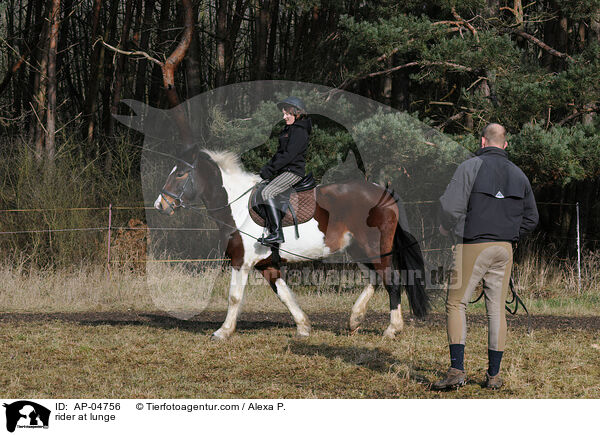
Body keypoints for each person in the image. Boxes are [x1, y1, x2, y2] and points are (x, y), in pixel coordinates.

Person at [433, 123, 539, 390]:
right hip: (505, 249)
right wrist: (510, 235)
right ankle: (493, 376)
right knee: (496, 309)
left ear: (482, 142)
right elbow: (532, 218)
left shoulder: (469, 167)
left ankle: (457, 371)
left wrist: (449, 227)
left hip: (473, 244)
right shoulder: (519, 174)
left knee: (456, 304)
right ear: (505, 145)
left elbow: (449, 206)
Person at [257, 96, 312, 245]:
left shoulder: (299, 131)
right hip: (285, 170)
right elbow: (280, 154)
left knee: (267, 192)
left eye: (287, 114)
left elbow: (289, 155)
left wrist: (271, 169)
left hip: (293, 172)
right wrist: (267, 167)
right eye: (283, 113)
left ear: (297, 113)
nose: (284, 117)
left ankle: (276, 234)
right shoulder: (289, 129)